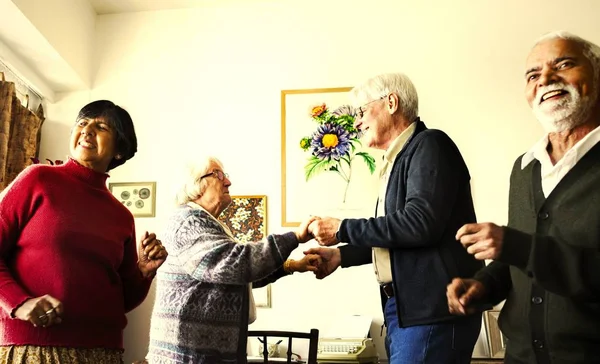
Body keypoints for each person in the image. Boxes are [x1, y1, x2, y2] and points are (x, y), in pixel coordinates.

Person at [304, 73, 485, 363]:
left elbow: (419, 224)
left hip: (432, 312)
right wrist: (341, 256)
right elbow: (399, 233)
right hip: (408, 310)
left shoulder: (430, 145)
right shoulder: (399, 159)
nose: (358, 122)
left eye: (362, 111)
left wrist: (342, 229)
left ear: (391, 102)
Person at [447, 31, 600, 364]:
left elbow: (524, 248)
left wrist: (515, 245)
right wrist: (485, 285)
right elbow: (521, 256)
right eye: (533, 74)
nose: (545, 79)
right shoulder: (525, 167)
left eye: (564, 64)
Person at [0, 100, 167, 363]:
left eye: (101, 126)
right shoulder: (38, 179)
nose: (87, 130)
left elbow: (121, 300)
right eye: (82, 123)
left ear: (119, 150)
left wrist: (144, 272)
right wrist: (20, 303)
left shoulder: (121, 216)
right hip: (36, 347)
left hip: (104, 352)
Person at [146, 157, 321, 364]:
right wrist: (295, 237)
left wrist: (292, 266)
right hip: (189, 357)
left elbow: (232, 278)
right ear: (196, 185)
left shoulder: (205, 223)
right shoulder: (189, 222)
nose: (227, 182)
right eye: (218, 175)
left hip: (200, 354)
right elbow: (233, 264)